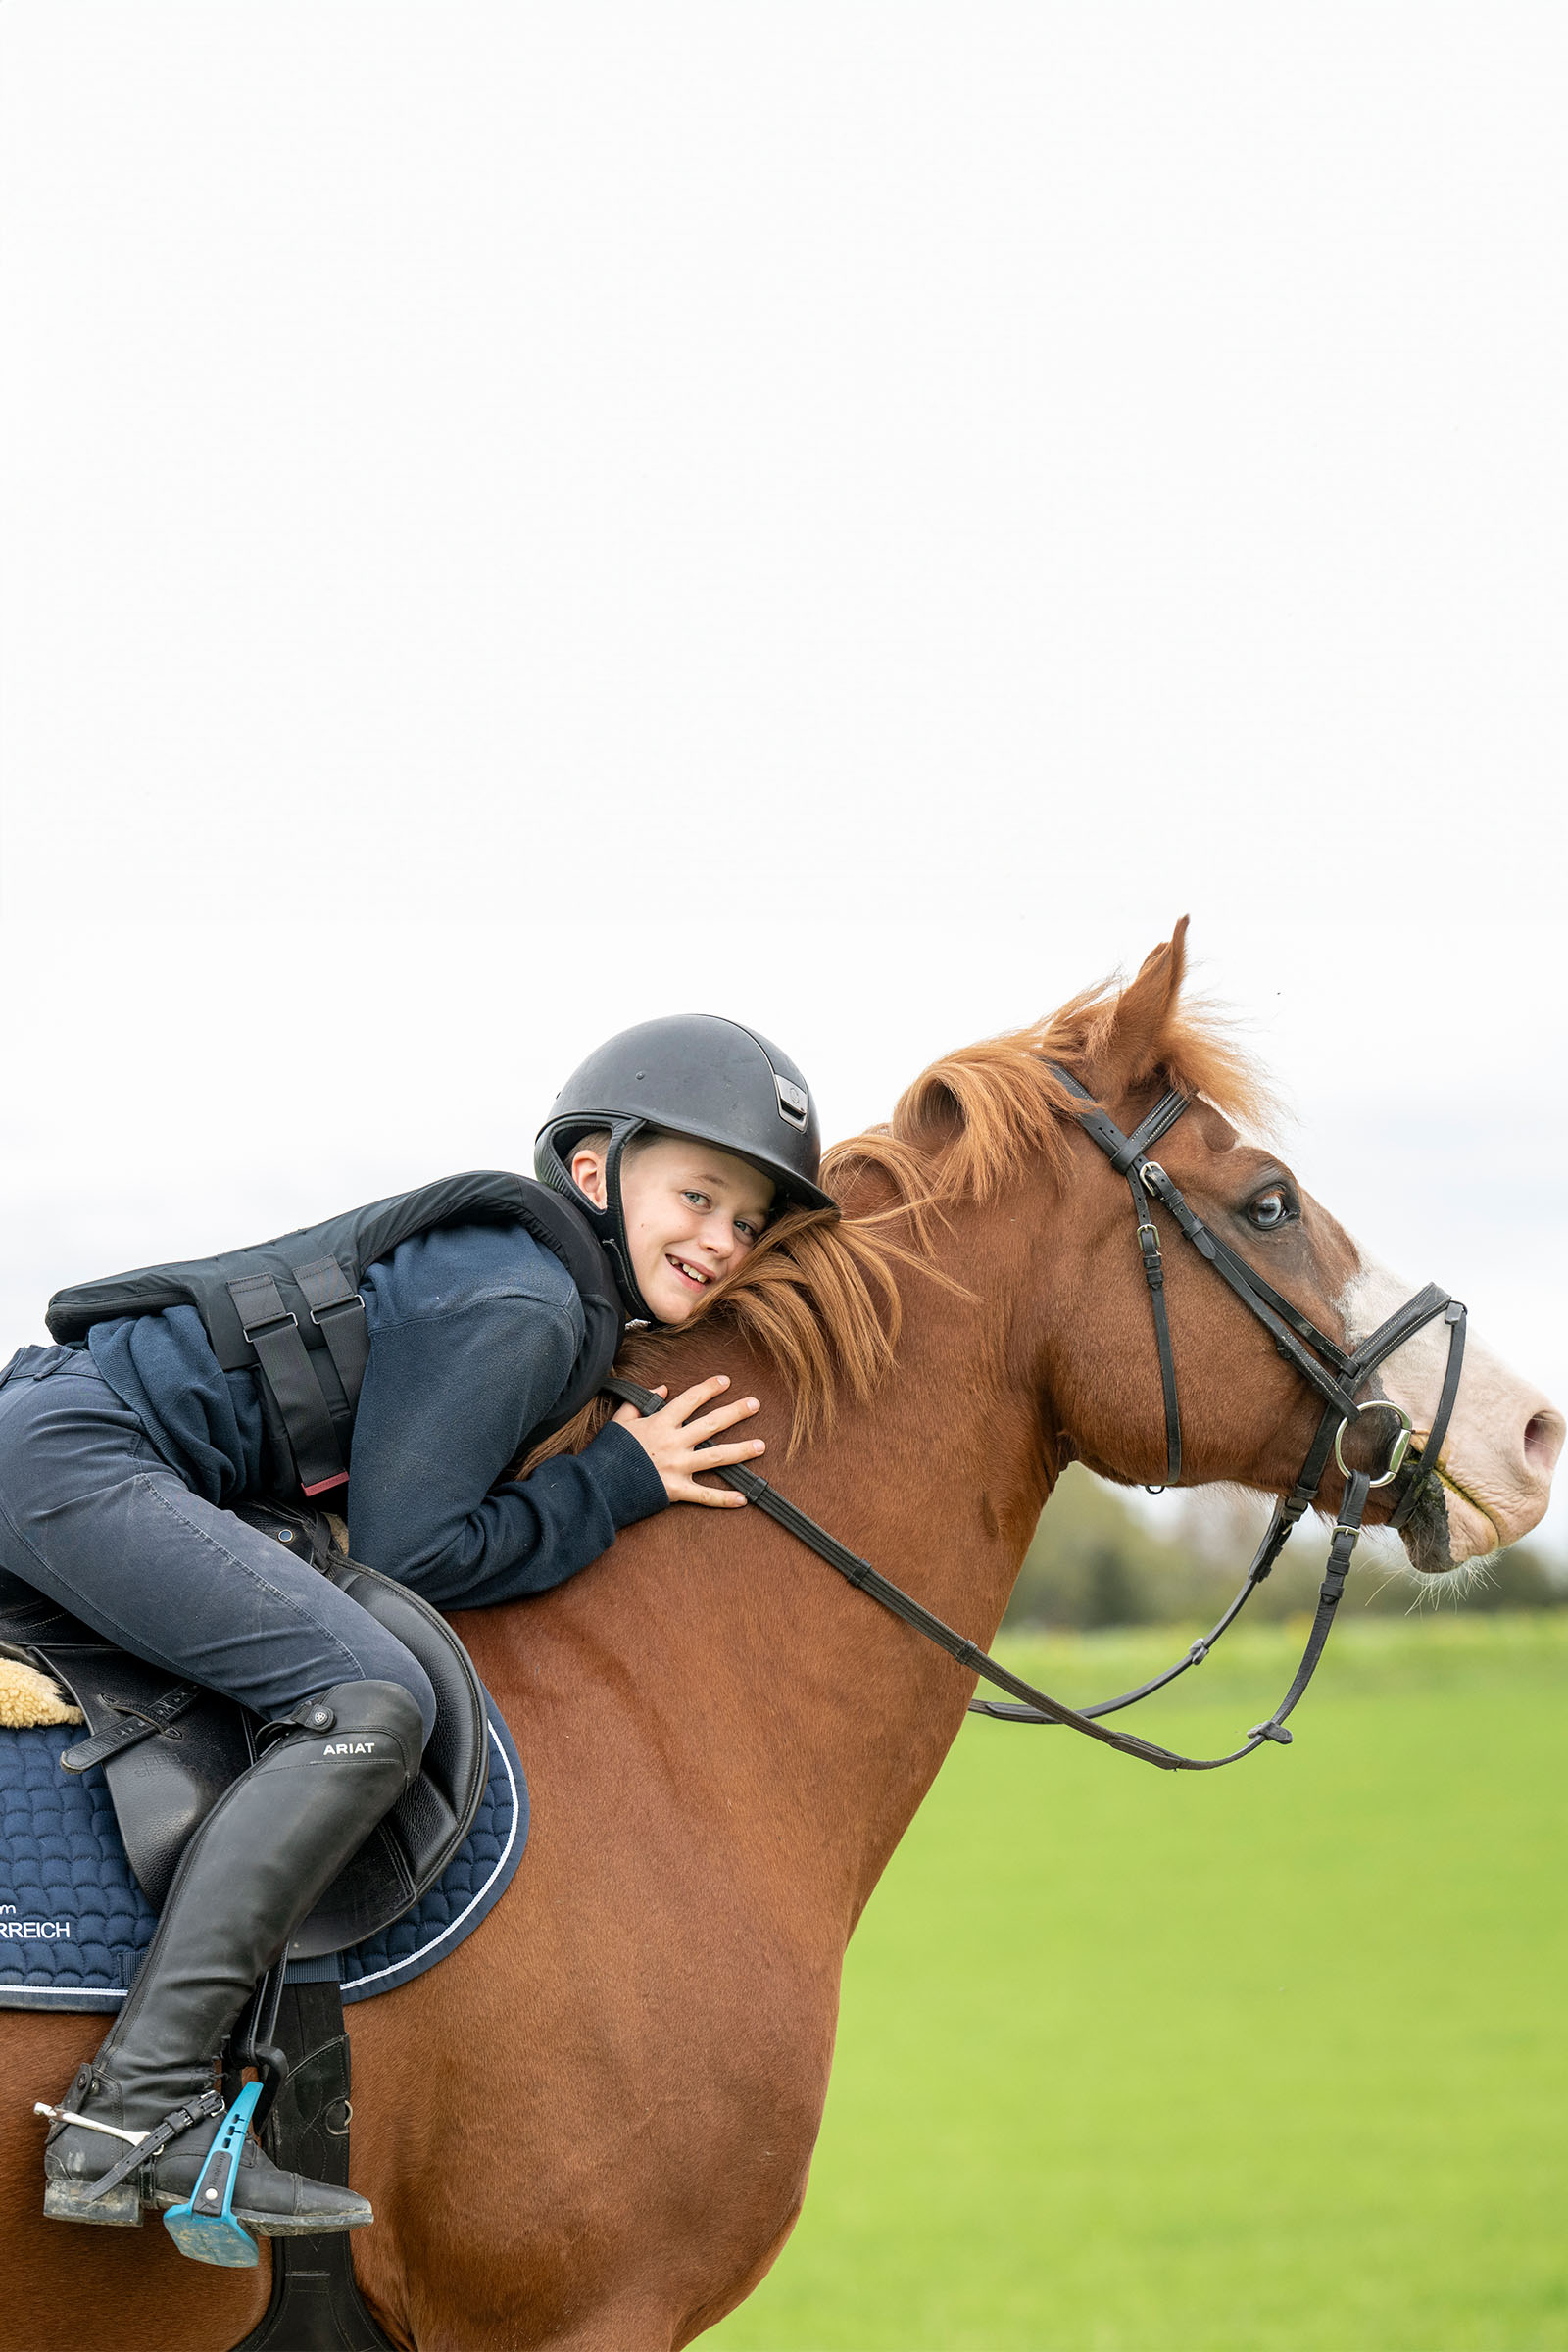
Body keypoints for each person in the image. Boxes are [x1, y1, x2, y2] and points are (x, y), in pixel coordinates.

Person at [0, 1015, 833, 2239]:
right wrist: (617, 1484)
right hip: (79, 1458)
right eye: (697, 1196)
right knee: (366, 1701)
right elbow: (411, 1553)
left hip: (75, 1448)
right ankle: (135, 2113)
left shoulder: (538, 1279)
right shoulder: (529, 1299)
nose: (719, 1241)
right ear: (594, 1172)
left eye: (747, 1223)